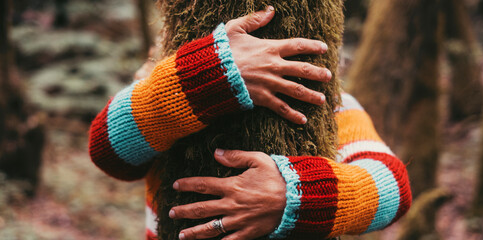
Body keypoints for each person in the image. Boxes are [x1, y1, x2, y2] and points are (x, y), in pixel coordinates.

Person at [88, 6, 411, 240]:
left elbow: (394, 189)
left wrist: (294, 195)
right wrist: (215, 72)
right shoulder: (153, 85)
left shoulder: (328, 104)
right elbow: (108, 151)